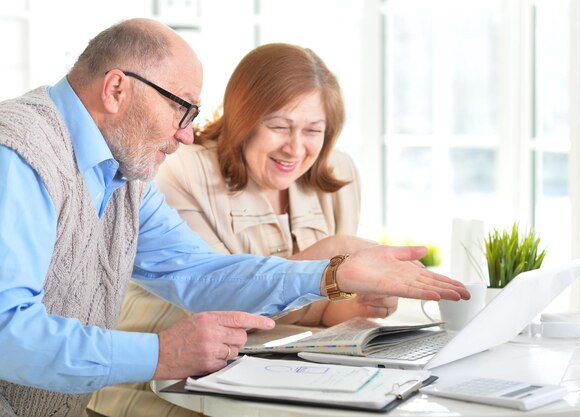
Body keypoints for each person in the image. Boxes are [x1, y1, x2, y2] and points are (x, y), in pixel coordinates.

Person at [0, 18, 469, 417]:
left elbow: (199, 273)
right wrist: (162, 354)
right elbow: (7, 334)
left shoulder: (123, 175)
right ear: (117, 88)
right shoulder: (18, 155)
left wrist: (335, 274)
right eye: (178, 107)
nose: (186, 134)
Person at [90, 43, 401, 416]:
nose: (295, 148)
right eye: (279, 126)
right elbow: (214, 298)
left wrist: (356, 300)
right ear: (244, 117)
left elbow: (318, 312)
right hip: (163, 391)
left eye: (313, 130)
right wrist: (331, 256)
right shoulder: (180, 169)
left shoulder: (338, 176)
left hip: (274, 381)